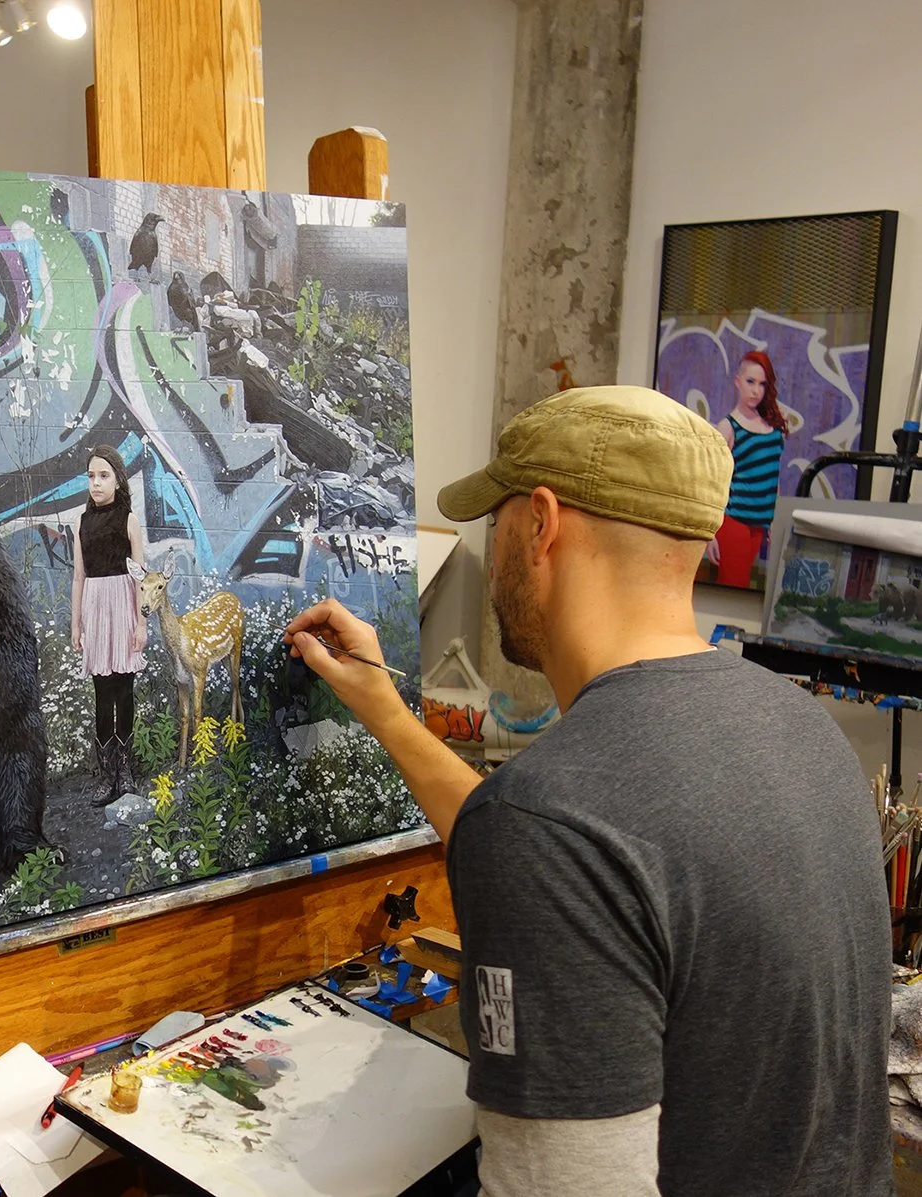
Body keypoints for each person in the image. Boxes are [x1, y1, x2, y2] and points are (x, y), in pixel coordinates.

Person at [284, 386, 891, 1196]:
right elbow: (598, 874)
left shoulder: (552, 821)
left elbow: (557, 849)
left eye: (495, 521)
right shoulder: (799, 725)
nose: (493, 547)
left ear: (541, 522)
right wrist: (386, 711)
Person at [71, 445, 147, 807]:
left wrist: (142, 624)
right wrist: (76, 624)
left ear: (118, 479)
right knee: (102, 694)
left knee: (124, 691)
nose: (96, 483)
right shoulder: (82, 523)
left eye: (104, 475)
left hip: (123, 608)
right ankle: (107, 775)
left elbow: (141, 579)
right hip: (96, 610)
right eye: (91, 476)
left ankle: (126, 770)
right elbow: (78, 578)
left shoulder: (129, 520)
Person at [707, 349, 786, 587]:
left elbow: (774, 476)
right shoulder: (728, 427)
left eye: (762, 384)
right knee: (734, 585)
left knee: (742, 585)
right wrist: (710, 533)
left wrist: (776, 517)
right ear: (737, 382)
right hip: (734, 521)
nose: (755, 390)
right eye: (750, 382)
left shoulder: (773, 426)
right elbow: (713, 482)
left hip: (761, 523)